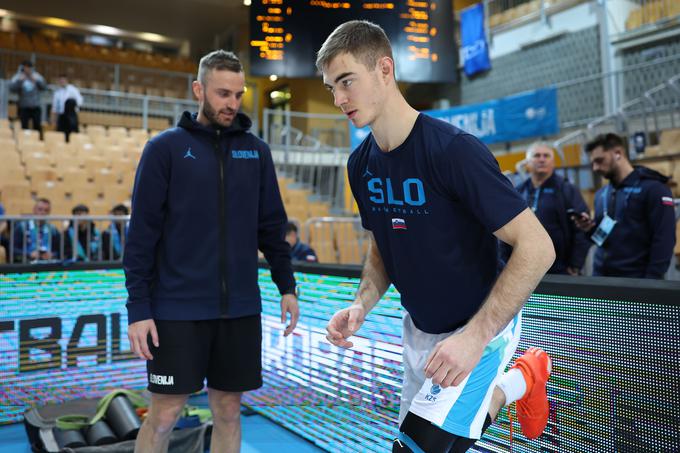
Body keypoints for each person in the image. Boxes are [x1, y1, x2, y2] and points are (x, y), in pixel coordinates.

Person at [317, 21, 556, 452]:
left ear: (384, 70)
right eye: (331, 87)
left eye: (346, 81)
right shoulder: (360, 165)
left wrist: (475, 338)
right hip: (419, 333)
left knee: (414, 448)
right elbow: (382, 244)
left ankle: (511, 374)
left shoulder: (453, 151)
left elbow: (538, 248)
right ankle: (522, 380)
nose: (338, 99)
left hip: (479, 329)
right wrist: (361, 303)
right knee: (448, 437)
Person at [123, 49, 299, 453]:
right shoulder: (164, 149)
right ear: (198, 89)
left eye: (238, 95)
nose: (231, 104)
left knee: (228, 411)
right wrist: (139, 309)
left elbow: (271, 227)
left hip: (239, 310)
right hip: (176, 310)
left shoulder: (256, 151)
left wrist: (286, 286)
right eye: (222, 94)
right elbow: (141, 238)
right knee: (165, 415)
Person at [574, 133, 676, 278]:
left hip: (636, 280)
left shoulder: (654, 189)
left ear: (618, 153)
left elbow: (664, 239)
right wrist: (589, 229)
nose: (595, 168)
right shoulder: (602, 194)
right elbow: (602, 239)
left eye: (599, 160)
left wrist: (652, 281)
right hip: (601, 278)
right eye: (593, 163)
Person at [501, 143, 591, 275]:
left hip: (561, 269)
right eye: (537, 156)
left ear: (553, 163)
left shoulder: (567, 189)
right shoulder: (518, 192)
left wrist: (575, 264)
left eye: (546, 156)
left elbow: (581, 229)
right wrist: (505, 263)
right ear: (527, 163)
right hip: (525, 269)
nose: (541, 159)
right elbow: (506, 229)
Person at [12, 198, 60, 263]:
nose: (43, 212)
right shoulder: (22, 227)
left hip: (48, 264)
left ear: (49, 213)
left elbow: (60, 250)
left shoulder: (53, 229)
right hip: (27, 264)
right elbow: (13, 249)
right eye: (40, 209)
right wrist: (29, 254)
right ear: (34, 210)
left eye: (46, 210)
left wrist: (52, 254)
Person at [10, 61, 47, 135]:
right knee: (24, 126)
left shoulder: (37, 76)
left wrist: (36, 81)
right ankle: (24, 140)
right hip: (24, 106)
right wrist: (20, 81)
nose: (27, 69)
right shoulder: (18, 76)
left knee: (37, 125)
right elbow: (12, 89)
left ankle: (38, 140)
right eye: (25, 67)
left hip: (35, 106)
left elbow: (44, 87)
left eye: (29, 67)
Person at [51, 74, 83, 142]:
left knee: (72, 134)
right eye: (61, 80)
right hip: (62, 116)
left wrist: (73, 106)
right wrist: (53, 120)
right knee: (61, 134)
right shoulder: (57, 92)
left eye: (63, 80)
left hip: (71, 116)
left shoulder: (73, 90)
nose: (62, 81)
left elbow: (80, 101)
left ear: (66, 80)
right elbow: (54, 108)